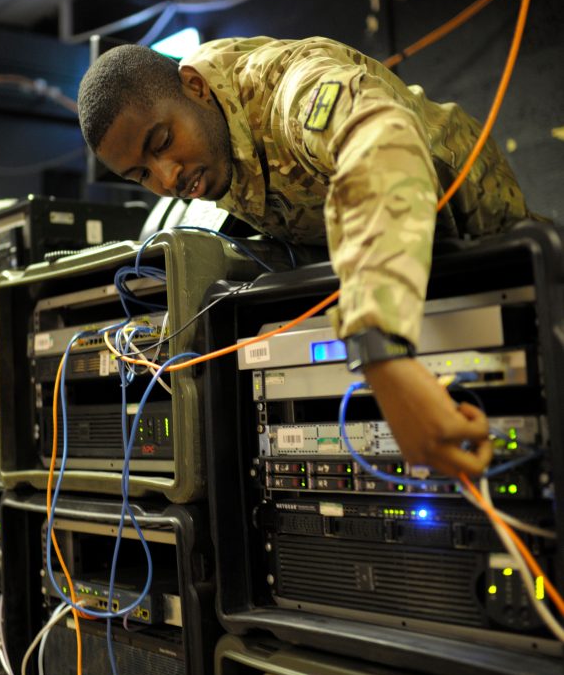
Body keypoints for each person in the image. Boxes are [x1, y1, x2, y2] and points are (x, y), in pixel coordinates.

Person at [78, 35, 533, 479]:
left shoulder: (289, 89)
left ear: (195, 86)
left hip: (497, 256)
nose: (166, 176)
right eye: (141, 174)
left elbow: (379, 139)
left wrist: (381, 350)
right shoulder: (206, 145)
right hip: (414, 279)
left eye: (161, 143)